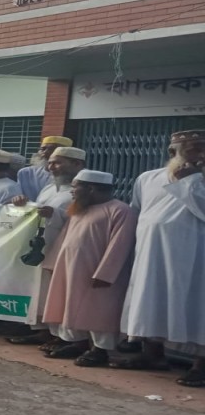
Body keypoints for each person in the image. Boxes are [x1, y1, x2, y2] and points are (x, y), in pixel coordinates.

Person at [117, 129, 205, 386]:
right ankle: (152, 354)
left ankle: (201, 365)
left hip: (195, 258)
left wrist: (190, 181)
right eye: (194, 149)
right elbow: (137, 211)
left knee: (197, 306)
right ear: (172, 152)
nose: (201, 154)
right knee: (150, 300)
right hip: (151, 253)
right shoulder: (148, 178)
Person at [35, 169, 136, 368]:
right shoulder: (79, 209)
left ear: (90, 188)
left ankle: (101, 350)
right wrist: (54, 263)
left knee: (100, 310)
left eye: (75, 187)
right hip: (70, 269)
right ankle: (77, 343)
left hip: (98, 273)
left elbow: (120, 244)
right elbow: (65, 237)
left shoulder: (120, 210)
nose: (72, 191)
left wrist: (106, 273)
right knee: (69, 305)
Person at [3, 146, 88, 343]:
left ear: (77, 164)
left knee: (60, 292)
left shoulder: (82, 191)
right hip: (41, 248)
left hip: (66, 249)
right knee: (41, 290)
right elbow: (37, 213)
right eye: (50, 163)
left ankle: (65, 336)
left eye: (58, 162)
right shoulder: (49, 188)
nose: (51, 167)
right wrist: (23, 203)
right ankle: (41, 329)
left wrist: (54, 215)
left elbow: (84, 220)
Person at [18, 136, 73, 202]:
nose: (45, 152)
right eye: (43, 149)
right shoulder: (26, 173)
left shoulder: (70, 176)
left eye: (53, 149)